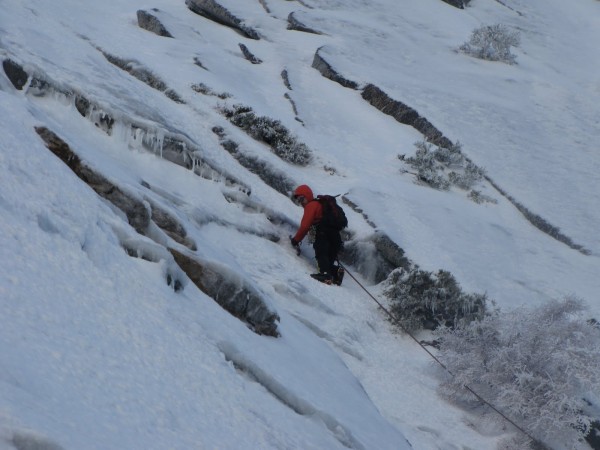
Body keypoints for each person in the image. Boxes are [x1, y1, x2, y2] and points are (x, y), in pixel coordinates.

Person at [290, 184, 344, 285]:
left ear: (307, 195)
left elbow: (305, 227)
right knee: (328, 258)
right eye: (299, 200)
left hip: (323, 232)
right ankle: (335, 274)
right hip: (335, 235)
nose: (301, 202)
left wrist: (295, 240)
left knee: (321, 252)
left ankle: (325, 275)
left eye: (302, 198)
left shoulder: (311, 205)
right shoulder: (321, 205)